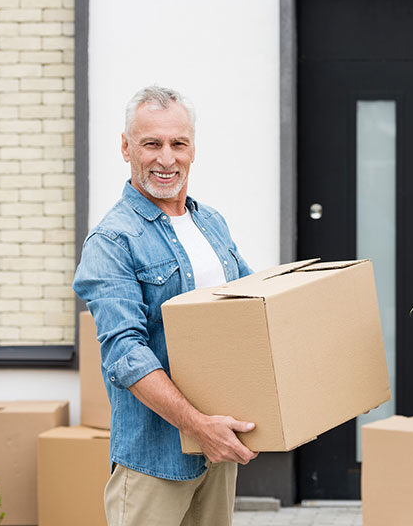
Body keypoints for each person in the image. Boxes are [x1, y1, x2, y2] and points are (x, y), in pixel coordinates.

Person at [73, 86, 257, 526]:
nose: (166, 159)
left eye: (178, 143)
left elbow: (253, 312)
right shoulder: (112, 240)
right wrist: (197, 426)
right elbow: (125, 354)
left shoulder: (211, 223)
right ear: (126, 147)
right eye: (151, 144)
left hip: (218, 450)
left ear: (193, 147)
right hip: (155, 459)